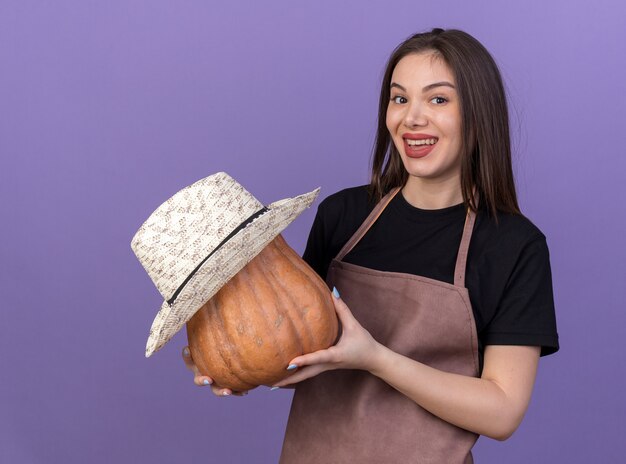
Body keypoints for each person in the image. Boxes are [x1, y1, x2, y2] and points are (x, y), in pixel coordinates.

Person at [182, 27, 559, 463]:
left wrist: (375, 358)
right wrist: (231, 362)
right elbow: (297, 346)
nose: (412, 118)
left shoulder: (514, 246)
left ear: (478, 114)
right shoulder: (343, 216)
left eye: (438, 99)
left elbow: (502, 412)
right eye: (400, 99)